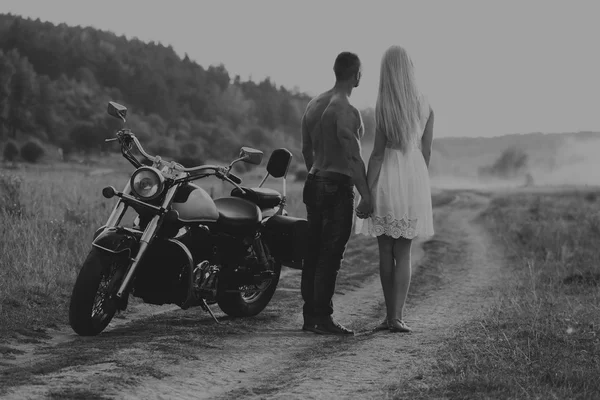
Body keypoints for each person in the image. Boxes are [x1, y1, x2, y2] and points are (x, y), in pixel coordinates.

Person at [355, 45, 435, 333]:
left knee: (385, 251)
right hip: (413, 179)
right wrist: (416, 182)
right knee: (405, 252)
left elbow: (377, 155)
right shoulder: (426, 105)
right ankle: (398, 317)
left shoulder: (385, 105)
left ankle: (389, 317)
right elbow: (426, 153)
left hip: (387, 178)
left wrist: (367, 190)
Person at [300, 51, 373, 335]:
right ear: (357, 75)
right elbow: (354, 158)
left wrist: (316, 176)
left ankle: (310, 317)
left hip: (313, 179)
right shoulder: (346, 110)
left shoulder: (313, 104)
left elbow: (307, 149)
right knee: (330, 255)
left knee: (313, 252)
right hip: (336, 186)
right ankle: (322, 319)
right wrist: (365, 195)